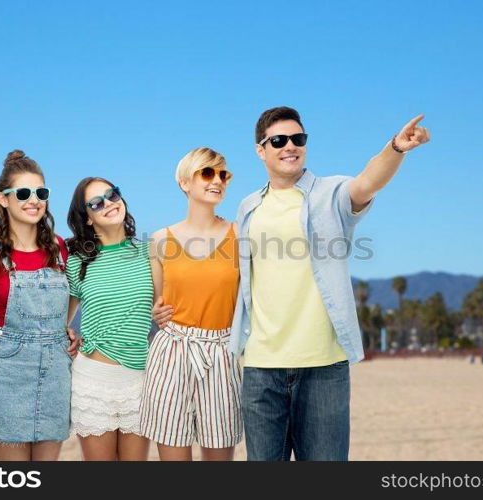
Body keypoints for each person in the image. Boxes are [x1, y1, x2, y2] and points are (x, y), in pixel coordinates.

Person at [229, 106, 430, 460]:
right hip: (261, 369)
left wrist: (396, 148)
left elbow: (368, 181)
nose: (290, 146)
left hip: (323, 368)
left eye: (298, 139)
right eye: (279, 140)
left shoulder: (331, 194)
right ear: (261, 150)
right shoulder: (248, 207)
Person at [141, 147, 242, 461]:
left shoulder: (241, 236)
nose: (218, 181)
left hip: (221, 354)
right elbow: (160, 304)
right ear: (185, 182)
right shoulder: (160, 239)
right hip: (172, 352)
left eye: (223, 175)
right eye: (207, 173)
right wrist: (158, 313)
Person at [0, 150, 76, 460]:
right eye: (23, 193)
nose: (34, 200)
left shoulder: (60, 248)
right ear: (4, 199)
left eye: (41, 192)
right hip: (8, 368)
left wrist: (66, 327)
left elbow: (77, 292)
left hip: (56, 368)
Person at [65, 177, 153, 460]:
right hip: (93, 381)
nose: (109, 204)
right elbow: (61, 321)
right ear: (88, 218)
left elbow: (168, 304)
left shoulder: (149, 253)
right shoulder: (77, 261)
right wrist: (66, 333)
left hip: (140, 380)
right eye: (96, 203)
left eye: (112, 195)